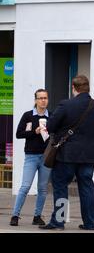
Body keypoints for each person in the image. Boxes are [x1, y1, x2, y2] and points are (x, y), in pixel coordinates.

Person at [40, 75, 94, 231]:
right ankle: (90, 223)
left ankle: (59, 222)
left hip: (67, 154)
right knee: (87, 186)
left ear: (73, 88)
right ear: (88, 88)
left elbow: (51, 125)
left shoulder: (66, 105)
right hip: (90, 154)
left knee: (61, 186)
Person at [10, 89, 51, 226]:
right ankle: (15, 215)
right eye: (40, 98)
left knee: (43, 188)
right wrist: (34, 132)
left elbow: (56, 134)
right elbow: (18, 134)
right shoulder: (28, 116)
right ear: (35, 100)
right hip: (31, 156)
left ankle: (37, 216)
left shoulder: (51, 116)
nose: (43, 100)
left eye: (45, 98)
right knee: (25, 186)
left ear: (48, 100)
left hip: (46, 156)